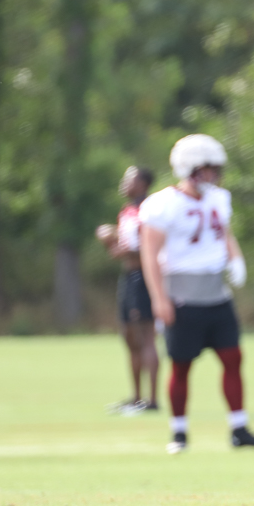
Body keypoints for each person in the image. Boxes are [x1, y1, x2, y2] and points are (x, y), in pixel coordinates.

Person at [138, 134, 254, 454]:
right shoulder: (162, 203)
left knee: (233, 358)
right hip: (182, 293)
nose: (213, 174)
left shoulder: (218, 198)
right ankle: (179, 432)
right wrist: (159, 299)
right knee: (182, 365)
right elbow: (149, 253)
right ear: (189, 167)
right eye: (207, 168)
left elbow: (224, 233)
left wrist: (235, 257)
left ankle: (239, 427)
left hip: (216, 293)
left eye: (215, 168)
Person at [96, 166, 160, 414]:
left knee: (146, 336)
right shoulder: (128, 210)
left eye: (129, 180)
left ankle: (152, 400)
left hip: (144, 277)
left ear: (142, 184)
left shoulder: (149, 210)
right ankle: (136, 397)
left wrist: (125, 250)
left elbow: (149, 247)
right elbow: (123, 247)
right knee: (130, 337)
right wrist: (109, 239)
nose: (124, 184)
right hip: (128, 276)